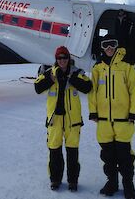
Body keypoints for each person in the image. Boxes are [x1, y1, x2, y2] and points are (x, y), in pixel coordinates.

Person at [88, 34, 135, 199]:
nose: (109, 48)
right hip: (103, 121)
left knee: (125, 156)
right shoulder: (97, 68)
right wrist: (93, 112)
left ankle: (128, 185)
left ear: (117, 46)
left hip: (123, 120)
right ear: (102, 47)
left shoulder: (127, 66)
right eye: (106, 45)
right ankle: (111, 182)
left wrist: (133, 113)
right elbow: (92, 93)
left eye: (112, 44)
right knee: (108, 155)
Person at [34, 46, 92, 192]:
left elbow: (88, 87)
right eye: (59, 58)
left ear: (68, 59)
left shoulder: (76, 73)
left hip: (73, 121)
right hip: (55, 120)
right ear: (56, 59)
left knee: (72, 152)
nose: (62, 61)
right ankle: (55, 180)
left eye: (64, 57)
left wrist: (72, 79)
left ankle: (73, 181)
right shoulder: (49, 73)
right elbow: (37, 88)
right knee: (54, 151)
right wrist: (50, 79)